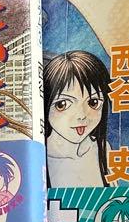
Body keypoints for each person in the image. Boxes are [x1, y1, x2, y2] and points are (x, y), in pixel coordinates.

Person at [44, 51, 110, 188]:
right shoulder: (39, 156)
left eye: (93, 103)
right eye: (62, 104)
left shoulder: (102, 148)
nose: (81, 115)